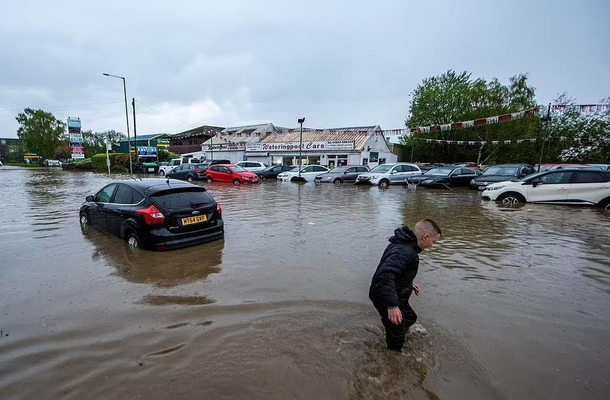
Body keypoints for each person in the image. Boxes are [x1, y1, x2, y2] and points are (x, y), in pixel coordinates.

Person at [369, 219, 442, 352]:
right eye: (434, 241)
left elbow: (396, 271)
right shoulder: (405, 251)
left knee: (409, 317)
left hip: (394, 292)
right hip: (384, 296)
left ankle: (393, 331)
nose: (433, 245)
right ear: (425, 237)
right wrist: (392, 306)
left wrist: (408, 283)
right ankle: (392, 360)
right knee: (396, 339)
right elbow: (385, 274)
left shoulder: (404, 244)